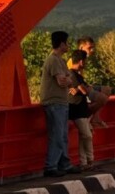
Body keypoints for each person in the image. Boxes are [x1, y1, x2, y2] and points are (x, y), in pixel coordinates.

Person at [40, 31, 78, 177]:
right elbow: (63, 81)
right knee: (57, 134)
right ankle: (51, 166)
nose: (68, 45)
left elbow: (68, 79)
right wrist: (67, 81)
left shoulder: (61, 61)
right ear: (61, 44)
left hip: (61, 101)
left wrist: (67, 80)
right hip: (54, 101)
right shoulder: (54, 60)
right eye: (67, 43)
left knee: (62, 134)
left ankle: (64, 164)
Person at [67, 50, 94, 171]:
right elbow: (85, 90)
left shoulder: (77, 75)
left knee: (84, 136)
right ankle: (90, 160)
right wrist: (83, 88)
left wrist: (82, 88)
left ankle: (84, 162)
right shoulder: (72, 75)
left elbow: (86, 88)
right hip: (77, 109)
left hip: (80, 109)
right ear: (81, 61)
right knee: (87, 135)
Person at [77, 37, 111, 128]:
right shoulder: (75, 61)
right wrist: (87, 88)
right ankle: (85, 117)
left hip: (84, 87)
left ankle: (95, 118)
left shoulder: (84, 60)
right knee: (102, 98)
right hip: (78, 91)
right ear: (81, 47)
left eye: (93, 48)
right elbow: (74, 80)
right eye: (89, 48)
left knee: (107, 90)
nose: (92, 50)